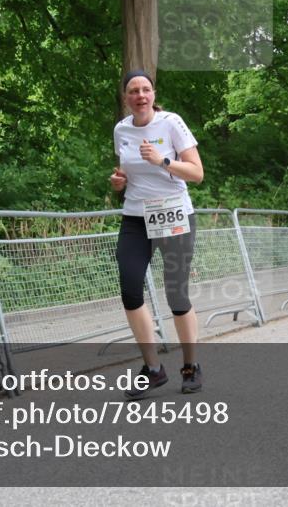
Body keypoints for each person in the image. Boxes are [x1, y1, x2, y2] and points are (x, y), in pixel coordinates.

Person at [110, 70, 204, 398]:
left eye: (146, 89)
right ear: (126, 98)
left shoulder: (171, 123)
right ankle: (152, 369)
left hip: (173, 213)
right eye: (134, 91)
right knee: (130, 288)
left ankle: (190, 365)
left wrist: (163, 160)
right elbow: (127, 171)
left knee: (176, 295)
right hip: (136, 216)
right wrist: (120, 181)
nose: (140, 95)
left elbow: (196, 173)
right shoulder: (121, 129)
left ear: (153, 94)